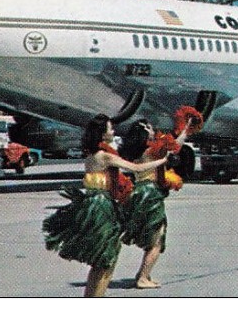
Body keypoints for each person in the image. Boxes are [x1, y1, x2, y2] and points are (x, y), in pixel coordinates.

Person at [43, 114, 168, 297]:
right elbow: (137, 168)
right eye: (110, 129)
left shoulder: (92, 155)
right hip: (102, 205)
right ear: (102, 134)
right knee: (107, 258)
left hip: (92, 203)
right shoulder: (105, 156)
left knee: (101, 260)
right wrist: (163, 160)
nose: (113, 131)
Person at [119, 108, 201, 290]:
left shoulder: (138, 151)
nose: (152, 128)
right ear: (144, 132)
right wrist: (186, 129)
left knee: (153, 237)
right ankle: (142, 277)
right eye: (149, 127)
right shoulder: (153, 150)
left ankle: (144, 274)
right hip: (150, 194)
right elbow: (175, 145)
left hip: (140, 191)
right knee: (157, 240)